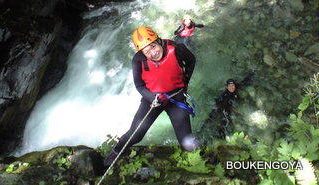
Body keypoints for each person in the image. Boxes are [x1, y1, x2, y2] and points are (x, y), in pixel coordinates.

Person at [103, 26, 200, 167]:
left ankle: (195, 161)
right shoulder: (138, 60)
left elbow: (191, 60)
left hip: (176, 97)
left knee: (186, 140)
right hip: (152, 100)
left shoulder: (177, 49)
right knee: (136, 133)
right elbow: (139, 86)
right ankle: (117, 151)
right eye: (147, 51)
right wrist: (152, 97)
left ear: (159, 41)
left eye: (153, 47)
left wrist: (185, 81)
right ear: (142, 53)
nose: (153, 53)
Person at [201, 73, 254, 138]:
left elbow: (245, 82)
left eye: (233, 85)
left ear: (235, 85)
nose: (231, 87)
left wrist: (252, 74)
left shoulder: (237, 88)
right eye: (229, 86)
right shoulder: (225, 95)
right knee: (215, 120)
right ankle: (208, 134)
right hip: (225, 109)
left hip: (233, 108)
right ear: (226, 87)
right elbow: (220, 105)